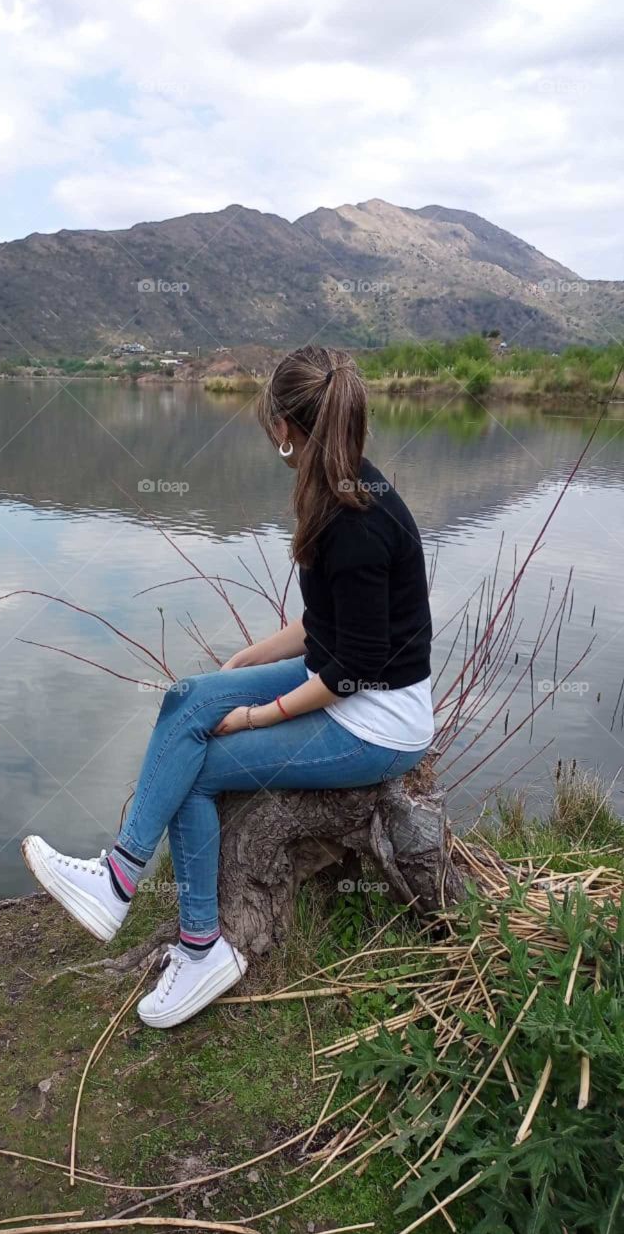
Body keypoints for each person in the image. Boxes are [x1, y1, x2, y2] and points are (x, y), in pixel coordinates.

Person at [22, 345, 434, 1029]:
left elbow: (347, 670)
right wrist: (242, 662)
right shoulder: (345, 485)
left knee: (203, 767)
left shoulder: (360, 522)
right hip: (344, 683)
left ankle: (201, 945)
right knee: (189, 696)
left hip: (377, 721)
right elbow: (322, 626)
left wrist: (253, 717)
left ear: (283, 427)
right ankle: (120, 875)